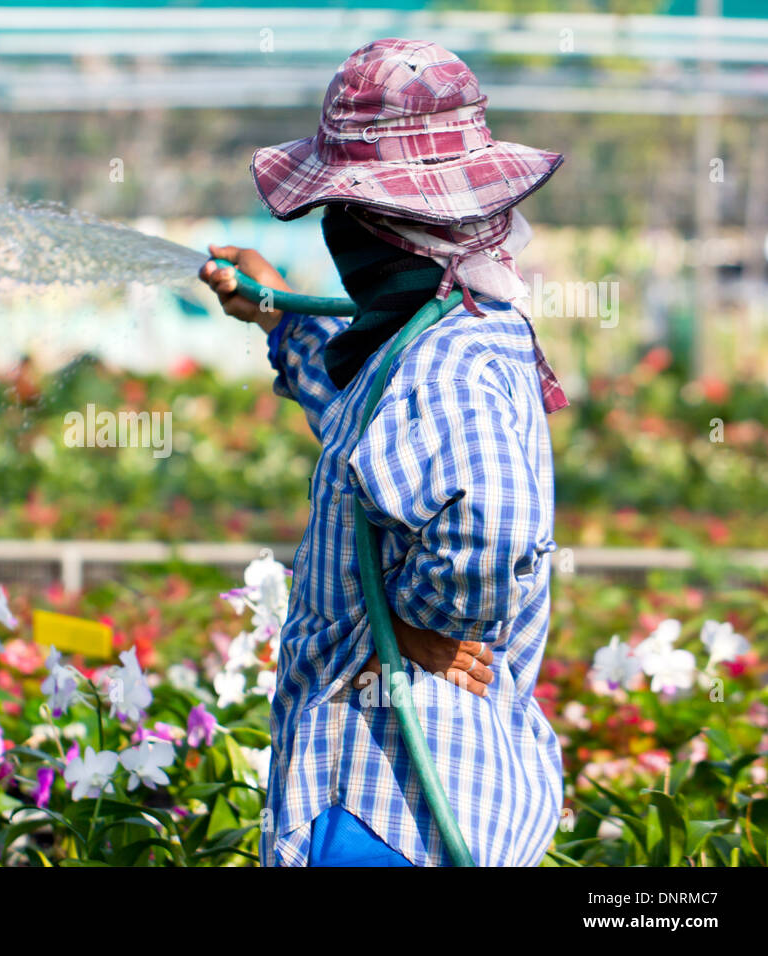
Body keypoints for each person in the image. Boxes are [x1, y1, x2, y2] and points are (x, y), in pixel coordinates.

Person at [199, 38, 567, 867]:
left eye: (340, 212)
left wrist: (424, 619)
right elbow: (379, 440)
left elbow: (496, 514)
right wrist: (278, 314)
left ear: (376, 224)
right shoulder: (465, 326)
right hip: (428, 785)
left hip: (388, 790)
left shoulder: (444, 367)